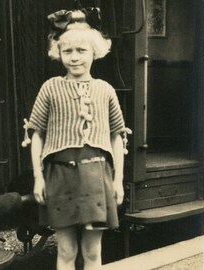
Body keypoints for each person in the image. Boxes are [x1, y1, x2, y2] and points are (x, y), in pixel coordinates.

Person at [22, 8, 129, 270]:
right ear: (58, 53)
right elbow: (37, 134)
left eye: (81, 51)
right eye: (67, 51)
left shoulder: (105, 90)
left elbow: (117, 136)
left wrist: (118, 181)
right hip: (59, 177)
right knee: (66, 250)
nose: (74, 57)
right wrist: (38, 177)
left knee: (93, 251)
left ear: (96, 52)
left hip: (97, 176)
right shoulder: (50, 88)